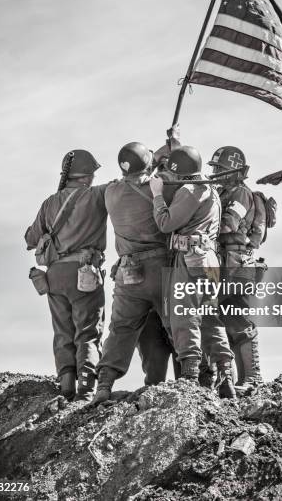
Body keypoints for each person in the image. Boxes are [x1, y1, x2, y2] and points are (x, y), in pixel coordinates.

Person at [92, 141, 177, 404]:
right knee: (180, 326)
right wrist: (173, 147)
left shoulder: (111, 192)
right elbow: (175, 175)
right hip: (162, 270)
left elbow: (147, 169)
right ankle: (194, 383)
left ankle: (103, 386)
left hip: (129, 273)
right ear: (148, 164)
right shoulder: (159, 189)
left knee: (121, 330)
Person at [149, 145, 236, 398]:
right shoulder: (210, 190)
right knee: (210, 318)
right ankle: (225, 374)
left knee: (184, 315)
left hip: (189, 259)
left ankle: (189, 377)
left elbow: (166, 223)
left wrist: (157, 195)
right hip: (208, 260)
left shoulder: (189, 191)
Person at [25, 150, 108, 401]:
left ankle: (66, 385)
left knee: (63, 332)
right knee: (88, 331)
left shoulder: (49, 203)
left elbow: (30, 239)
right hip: (83, 273)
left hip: (54, 275)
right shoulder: (96, 195)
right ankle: (86, 389)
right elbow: (128, 187)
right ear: (87, 175)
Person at [208, 146, 263, 389]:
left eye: (220, 169)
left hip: (237, 265)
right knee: (223, 320)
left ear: (233, 171)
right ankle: (232, 379)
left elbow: (229, 224)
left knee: (239, 321)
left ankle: (252, 377)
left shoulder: (240, 193)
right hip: (224, 264)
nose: (215, 172)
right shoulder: (221, 192)